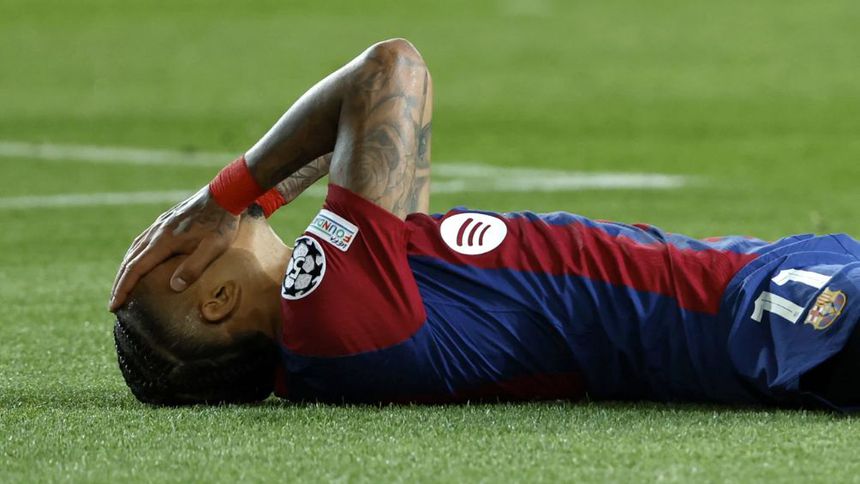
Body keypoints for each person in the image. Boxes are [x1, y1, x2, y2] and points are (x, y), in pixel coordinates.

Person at [109, 38, 860, 410]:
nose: (190, 227)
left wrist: (246, 201)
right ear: (216, 302)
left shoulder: (344, 329)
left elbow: (367, 136)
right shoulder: (328, 311)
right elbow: (390, 70)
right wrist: (225, 195)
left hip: (754, 287)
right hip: (746, 316)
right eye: (181, 248)